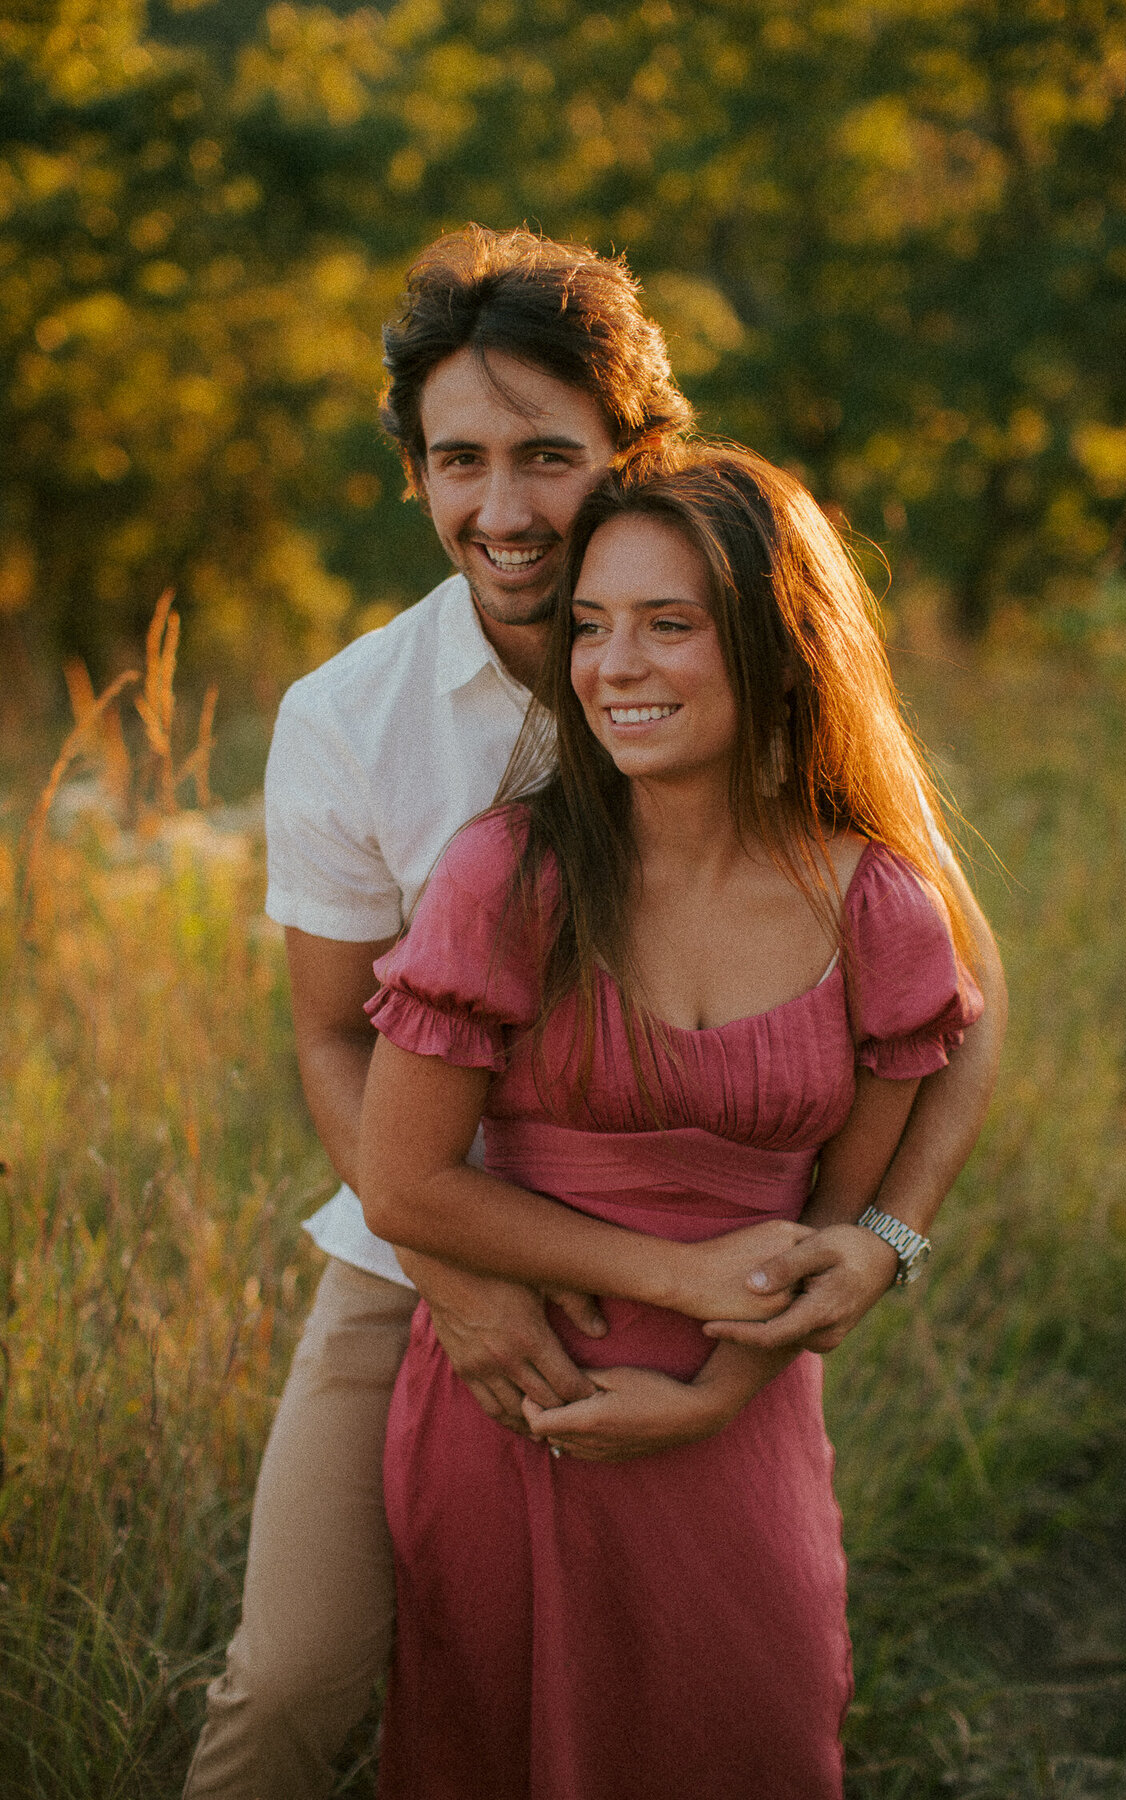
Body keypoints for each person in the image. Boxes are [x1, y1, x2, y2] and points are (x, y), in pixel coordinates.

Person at [185, 228, 1006, 1797]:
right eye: (458, 461)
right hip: (415, 1246)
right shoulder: (349, 720)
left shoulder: (744, 663)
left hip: (708, 1270)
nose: (501, 511)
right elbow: (330, 1038)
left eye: (548, 456)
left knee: (691, 1702)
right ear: (416, 474)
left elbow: (953, 994)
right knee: (292, 1685)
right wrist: (456, 1272)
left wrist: (878, 1243)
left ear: (639, 451)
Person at [357, 443, 989, 1798]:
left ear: (776, 643)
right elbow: (402, 1183)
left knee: (747, 1737)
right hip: (520, 1400)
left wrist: (718, 1391)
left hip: (742, 1417)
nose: (612, 666)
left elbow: (836, 1227)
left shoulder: (873, 903)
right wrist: (678, 1276)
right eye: (590, 625)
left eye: (667, 624)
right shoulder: (510, 875)